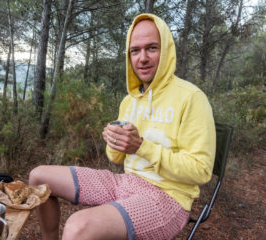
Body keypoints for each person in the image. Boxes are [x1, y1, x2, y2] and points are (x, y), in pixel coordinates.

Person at [29, 13, 216, 240]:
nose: (142, 58)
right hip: (124, 183)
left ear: (166, 50)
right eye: (135, 50)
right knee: (38, 177)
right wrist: (115, 141)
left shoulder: (191, 98)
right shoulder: (130, 101)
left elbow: (201, 170)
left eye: (152, 48)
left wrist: (141, 147)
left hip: (168, 199)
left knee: (78, 227)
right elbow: (116, 158)